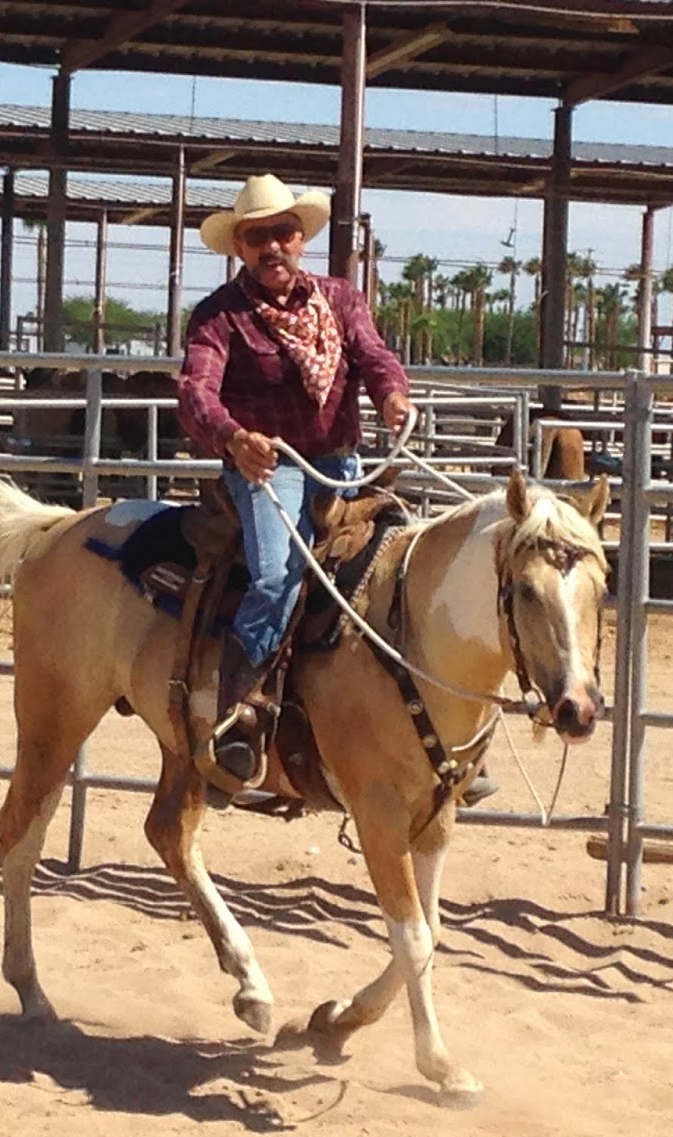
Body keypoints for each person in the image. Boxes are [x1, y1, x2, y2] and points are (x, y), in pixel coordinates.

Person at [177, 174, 413, 785]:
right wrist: (233, 438)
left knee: (398, 562)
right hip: (269, 467)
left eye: (282, 232)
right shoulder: (220, 316)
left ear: (300, 238)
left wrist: (391, 394)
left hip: (338, 462)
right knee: (277, 573)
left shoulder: (341, 300)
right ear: (242, 248)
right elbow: (195, 392)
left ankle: (407, 712)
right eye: (258, 237)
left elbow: (373, 355)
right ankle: (235, 713)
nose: (272, 246)